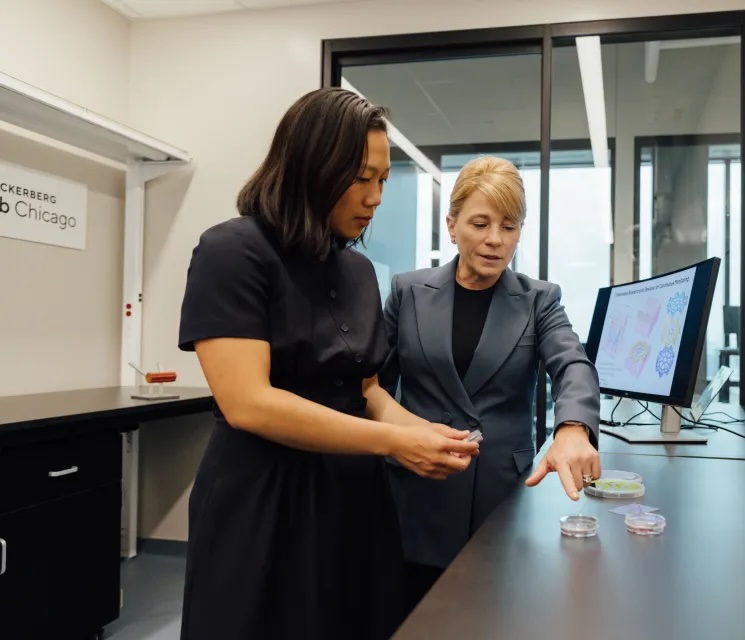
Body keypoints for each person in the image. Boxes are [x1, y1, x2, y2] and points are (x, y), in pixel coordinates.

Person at [175, 87, 479, 640]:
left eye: (384, 181)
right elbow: (249, 403)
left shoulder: (359, 272)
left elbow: (366, 391)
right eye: (362, 178)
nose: (376, 196)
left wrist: (426, 432)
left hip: (351, 496)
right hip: (263, 499)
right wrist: (392, 444)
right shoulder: (232, 252)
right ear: (312, 166)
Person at [379, 155, 602, 615]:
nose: (495, 240)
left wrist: (574, 427)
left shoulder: (539, 299)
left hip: (500, 497)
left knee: (493, 615)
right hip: (417, 492)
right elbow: (373, 386)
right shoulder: (408, 292)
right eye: (480, 223)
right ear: (452, 223)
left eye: (509, 226)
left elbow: (572, 364)